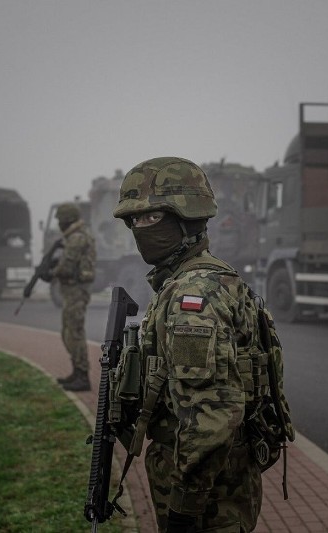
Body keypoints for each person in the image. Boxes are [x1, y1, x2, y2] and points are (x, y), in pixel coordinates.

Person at [113, 157, 263, 532]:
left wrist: (185, 506)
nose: (139, 229)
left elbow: (210, 416)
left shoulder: (192, 296)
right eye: (134, 221)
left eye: (151, 218)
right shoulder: (203, 277)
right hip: (213, 478)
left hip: (206, 494)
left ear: (188, 218)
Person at [50, 202, 96, 392]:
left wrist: (52, 272)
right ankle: (77, 372)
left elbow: (67, 266)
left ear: (66, 220)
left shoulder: (76, 237)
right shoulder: (77, 235)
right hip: (73, 291)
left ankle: (82, 376)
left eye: (60, 220)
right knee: (68, 332)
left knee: (74, 332)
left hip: (76, 290)